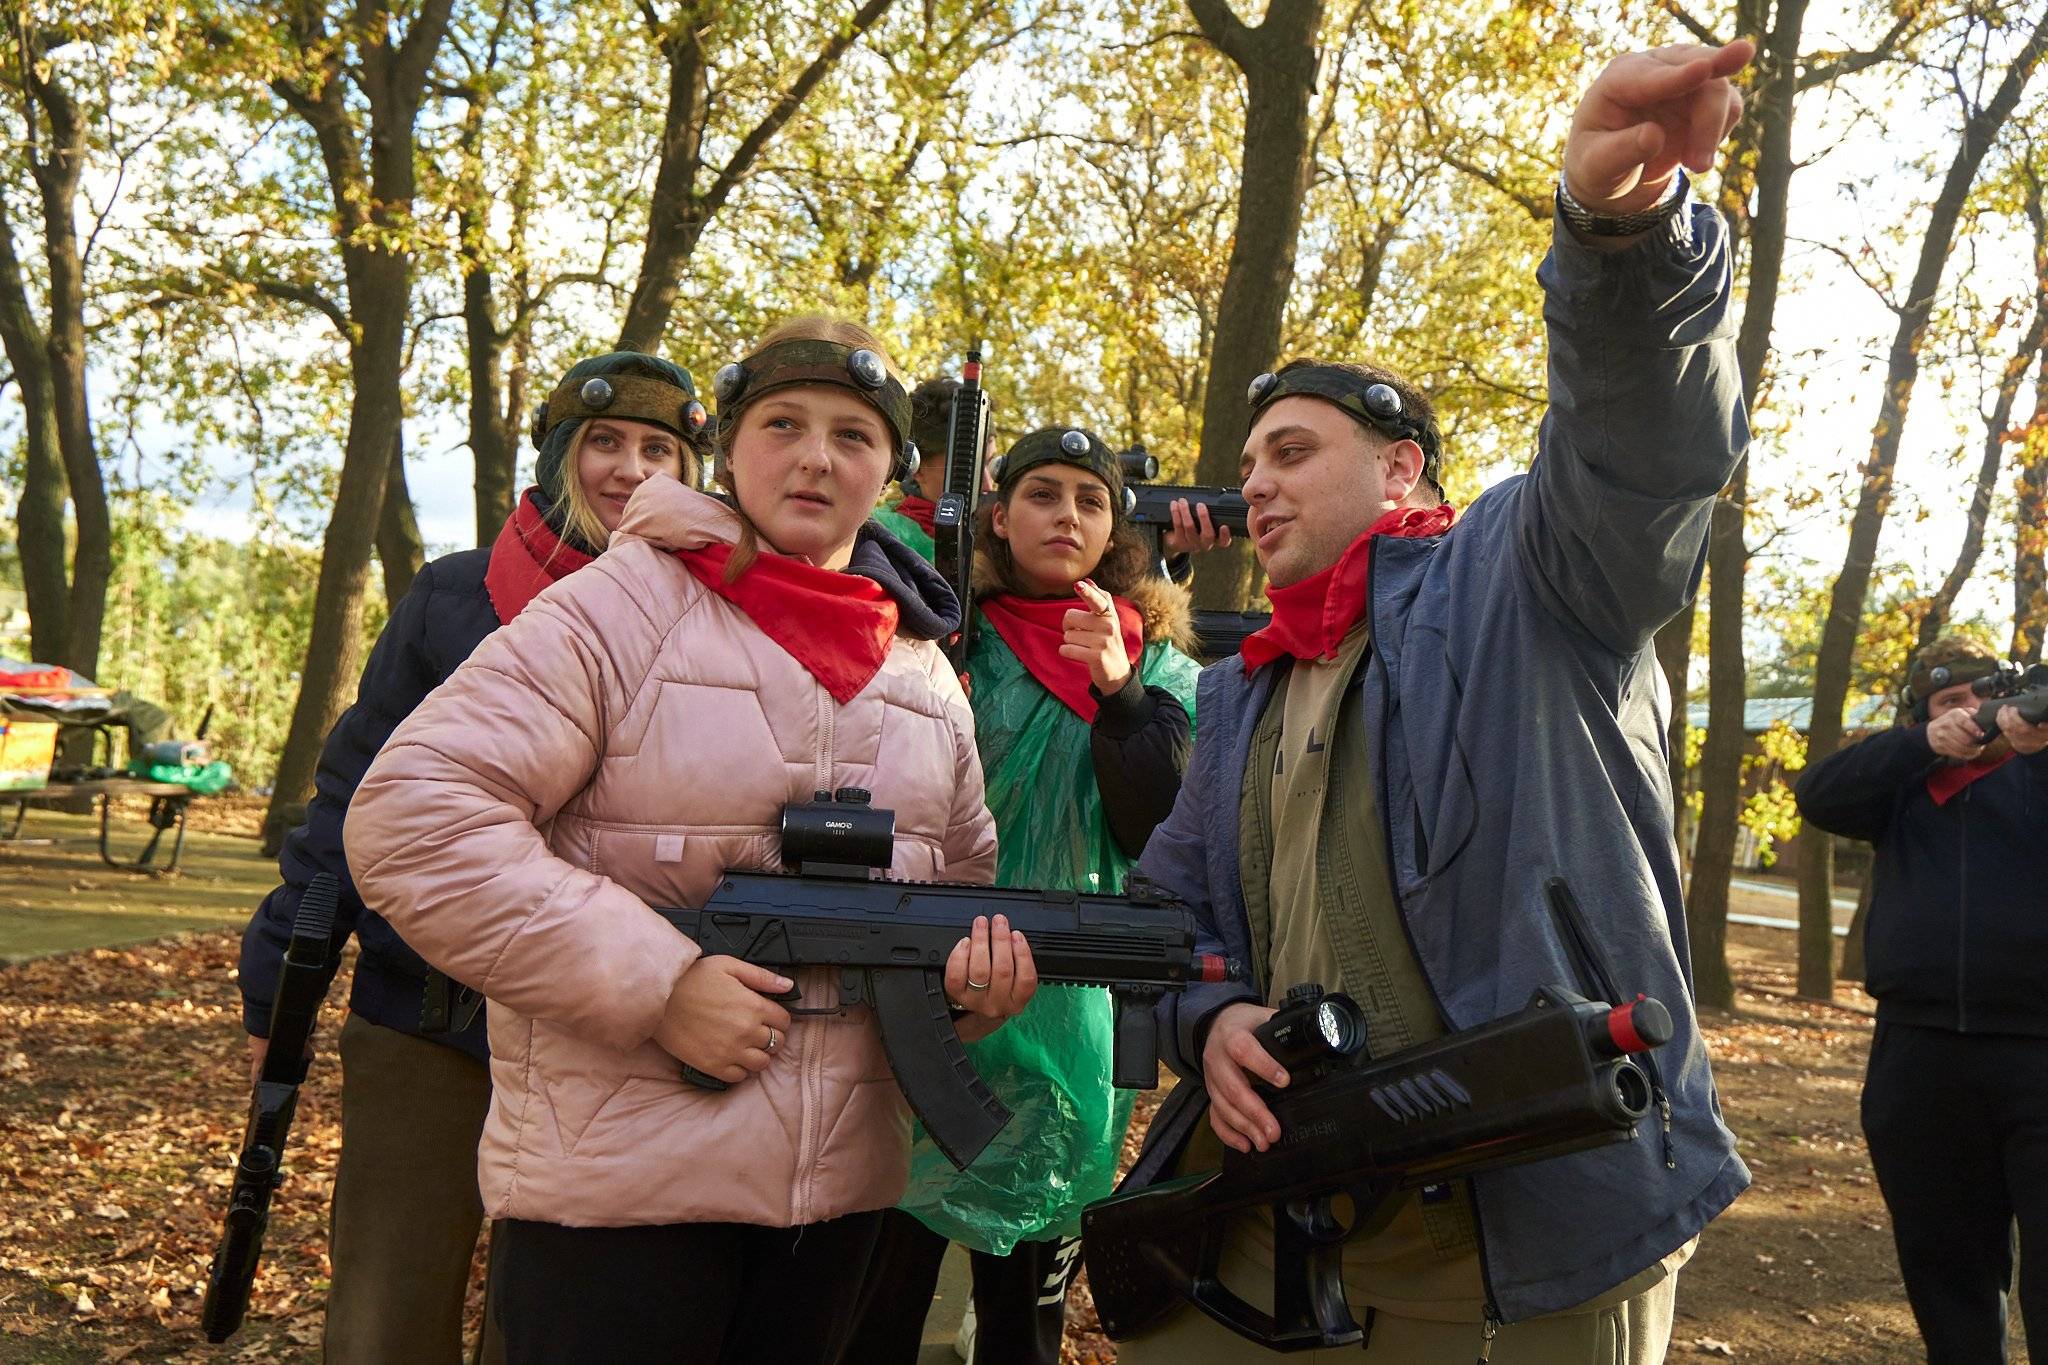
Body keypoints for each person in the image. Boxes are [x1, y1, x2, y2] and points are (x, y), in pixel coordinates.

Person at [1114, 40, 1756, 1364]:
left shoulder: (1524, 579)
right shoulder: (1238, 693)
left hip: (1530, 1232)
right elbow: (1166, 919)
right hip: (1279, 1213)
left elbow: (1642, 451)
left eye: (1294, 451)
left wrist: (1621, 238)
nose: (1257, 484)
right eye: (1249, 462)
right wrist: (1208, 1019)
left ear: (1401, 470)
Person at [342, 316, 1036, 1364]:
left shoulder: (923, 673)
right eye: (783, 424)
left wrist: (966, 990)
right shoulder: (616, 609)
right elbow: (414, 819)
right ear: (732, 449)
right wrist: (659, 984)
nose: (816, 457)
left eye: (853, 435)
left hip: (835, 1208)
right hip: (619, 1200)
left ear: (890, 470)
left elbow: (954, 887)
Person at [236, 350, 710, 1365]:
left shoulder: (704, 618)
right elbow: (353, 795)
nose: (630, 470)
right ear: (560, 455)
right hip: (424, 1016)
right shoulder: (453, 597)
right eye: (605, 443)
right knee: (387, 1311)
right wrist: (281, 974)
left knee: (545, 1328)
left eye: (658, 450)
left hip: (601, 1028)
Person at [842, 427, 1203, 1363]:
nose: (1066, 515)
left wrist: (1119, 693)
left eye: (1090, 500)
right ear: (999, 517)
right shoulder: (933, 629)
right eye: (1042, 494)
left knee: (1023, 1330)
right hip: (923, 990)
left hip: (1070, 1016)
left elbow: (1164, 831)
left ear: (1115, 531)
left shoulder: (1160, 664)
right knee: (873, 1312)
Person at [1793, 635, 2048, 1363]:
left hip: (2040, 1051)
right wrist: (1919, 747)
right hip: (1920, 1058)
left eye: (1981, 696)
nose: (1969, 710)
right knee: (1949, 1280)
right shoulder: (1904, 782)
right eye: (1947, 702)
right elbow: (1817, 795)